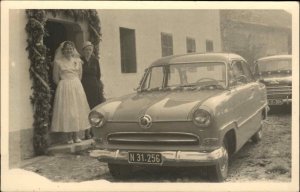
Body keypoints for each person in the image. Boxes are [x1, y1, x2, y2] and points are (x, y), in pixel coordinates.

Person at [51, 41, 90, 144]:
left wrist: (74, 84)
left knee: (77, 110)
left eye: (70, 49)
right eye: (66, 49)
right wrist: (65, 85)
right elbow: (55, 78)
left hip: (76, 86)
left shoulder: (77, 61)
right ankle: (69, 137)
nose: (69, 50)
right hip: (64, 87)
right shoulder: (58, 62)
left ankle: (76, 136)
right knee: (68, 111)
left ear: (73, 51)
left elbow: (80, 76)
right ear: (63, 51)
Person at [81, 41, 105, 139]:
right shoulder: (80, 60)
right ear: (83, 51)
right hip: (84, 86)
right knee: (86, 108)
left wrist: (98, 85)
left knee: (94, 108)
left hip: (94, 86)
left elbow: (98, 74)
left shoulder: (95, 60)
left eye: (90, 50)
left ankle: (94, 131)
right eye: (86, 50)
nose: (88, 51)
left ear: (92, 50)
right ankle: (86, 132)